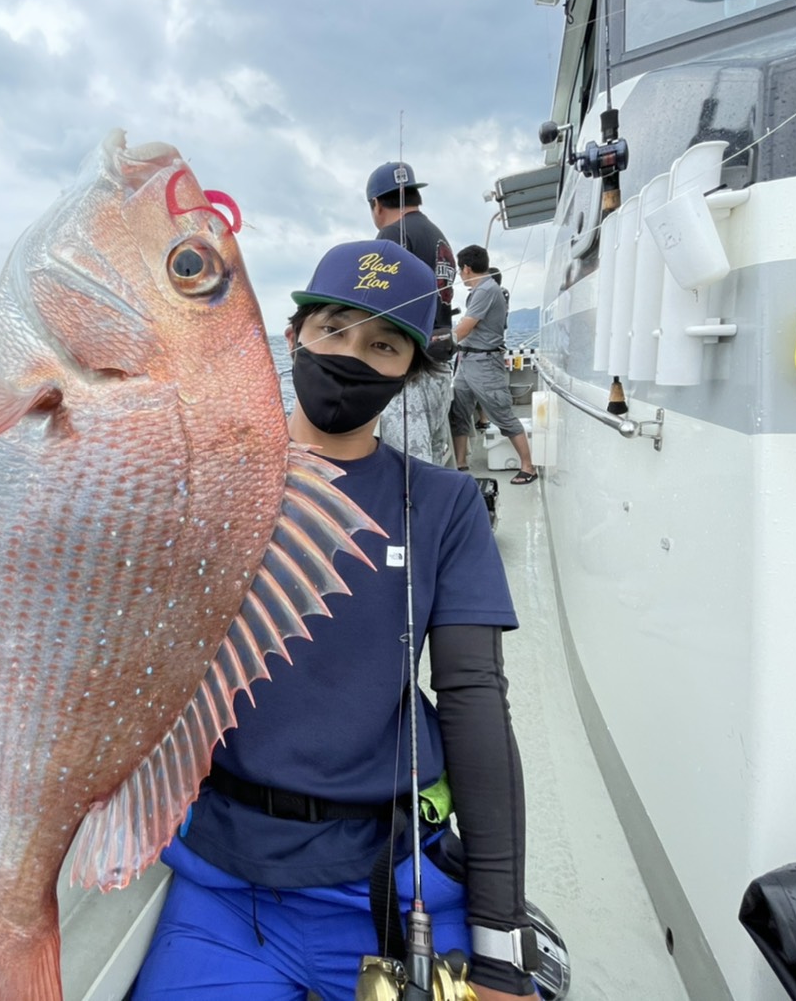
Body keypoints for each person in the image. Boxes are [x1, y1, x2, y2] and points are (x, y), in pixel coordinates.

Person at [131, 239, 539, 1001]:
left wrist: (500, 940)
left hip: (393, 880)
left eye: (383, 344)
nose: (351, 355)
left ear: (412, 371)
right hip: (224, 881)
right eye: (333, 329)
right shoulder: (204, 487)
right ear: (292, 337)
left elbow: (476, 702)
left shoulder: (444, 506)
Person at [366, 161, 458, 469]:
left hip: (411, 372)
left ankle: (422, 519)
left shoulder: (392, 236)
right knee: (433, 463)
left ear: (377, 204)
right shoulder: (436, 234)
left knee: (410, 472)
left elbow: (377, 306)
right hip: (441, 363)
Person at [453, 245, 537, 485]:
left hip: (484, 363)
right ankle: (460, 465)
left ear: (467, 269)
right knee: (459, 412)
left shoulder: (487, 289)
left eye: (461, 270)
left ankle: (528, 467)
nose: (460, 275)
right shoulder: (482, 289)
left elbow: (467, 325)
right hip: (467, 360)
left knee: (502, 414)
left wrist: (440, 341)